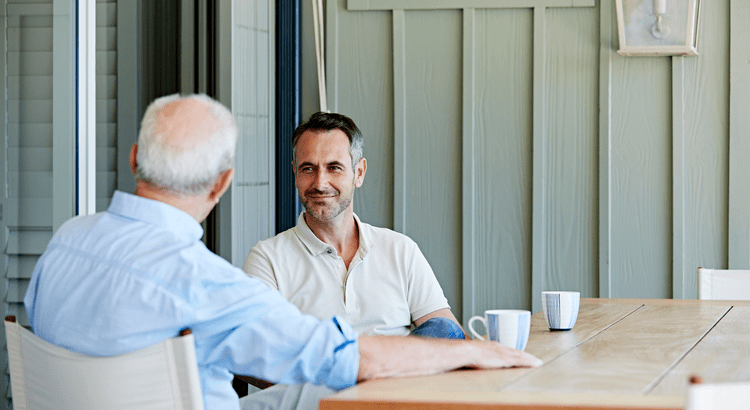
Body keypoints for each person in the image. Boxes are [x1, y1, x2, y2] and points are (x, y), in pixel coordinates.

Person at [24, 94, 541, 410]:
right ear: (223, 183)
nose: (320, 182)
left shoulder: (65, 243)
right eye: (307, 169)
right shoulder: (205, 284)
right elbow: (339, 360)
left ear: (136, 158)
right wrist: (475, 349)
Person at [244, 112, 465, 339]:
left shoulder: (400, 249)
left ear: (358, 173)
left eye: (334, 168)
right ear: (295, 173)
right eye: (308, 168)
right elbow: (259, 356)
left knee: (445, 329)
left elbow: (451, 337)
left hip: (402, 373)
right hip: (324, 372)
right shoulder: (267, 259)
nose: (320, 183)